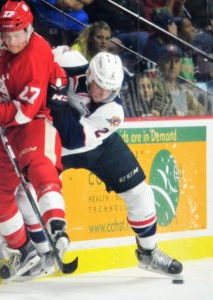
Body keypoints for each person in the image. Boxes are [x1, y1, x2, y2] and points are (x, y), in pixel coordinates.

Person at [19, 47, 183, 277]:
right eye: (99, 85)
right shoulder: (69, 60)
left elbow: (74, 138)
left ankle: (149, 253)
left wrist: (56, 100)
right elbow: (37, 54)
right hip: (52, 140)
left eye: (110, 88)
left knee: (139, 192)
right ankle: (43, 253)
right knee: (25, 192)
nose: (103, 92)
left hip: (95, 146)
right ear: (90, 75)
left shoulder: (114, 112)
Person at [0, 1, 70, 283]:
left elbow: (25, 111)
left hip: (32, 122)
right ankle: (23, 250)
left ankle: (57, 224)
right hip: (5, 126)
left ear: (29, 28)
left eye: (16, 33)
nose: (10, 40)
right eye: (5, 33)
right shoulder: (4, 38)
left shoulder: (35, 55)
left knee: (39, 165)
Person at [152, 43, 206, 116]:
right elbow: (161, 114)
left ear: (181, 64)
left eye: (176, 61)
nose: (173, 66)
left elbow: (202, 111)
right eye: (167, 61)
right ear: (160, 64)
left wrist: (185, 114)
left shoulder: (183, 89)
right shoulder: (155, 87)